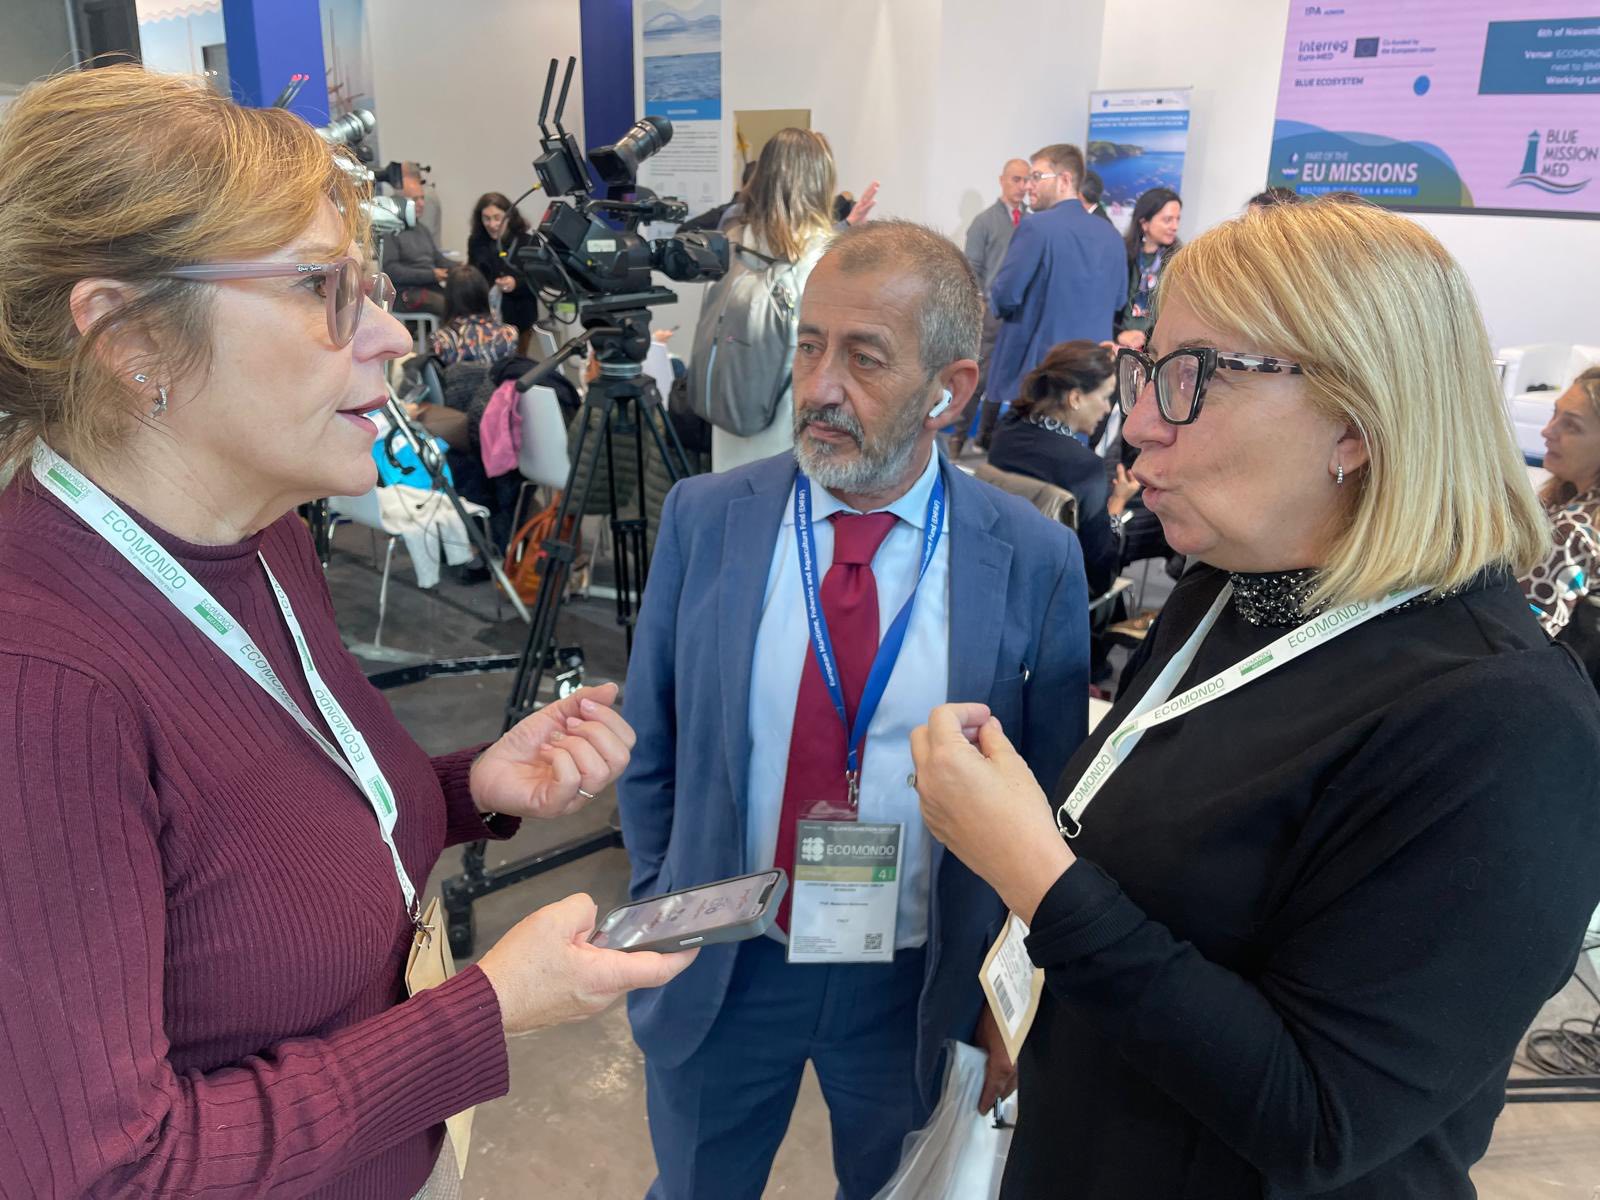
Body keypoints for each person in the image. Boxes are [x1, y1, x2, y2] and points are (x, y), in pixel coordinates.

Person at [0, 66, 694, 1198]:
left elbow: (255, 833)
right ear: (130, 336)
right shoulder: (38, 685)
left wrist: (467, 787)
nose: (387, 337)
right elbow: (110, 1173)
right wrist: (483, 1015)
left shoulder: (263, 530)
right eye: (323, 290)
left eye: (365, 286)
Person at [909, 197, 1600, 1198]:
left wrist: (1034, 875)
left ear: (1357, 421)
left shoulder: (1502, 723)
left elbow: (1321, 1120)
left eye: (1195, 377)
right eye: (1148, 370)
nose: (1139, 423)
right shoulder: (1226, 590)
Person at [620, 220, 1089, 1200]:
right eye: (809, 346)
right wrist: (662, 895)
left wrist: (1011, 997)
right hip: (722, 956)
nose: (821, 387)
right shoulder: (706, 518)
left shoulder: (1032, 556)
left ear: (948, 390)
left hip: (912, 983)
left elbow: (1051, 798)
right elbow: (651, 743)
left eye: (864, 358)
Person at [703, 129, 836, 472]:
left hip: (732, 414)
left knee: (732, 495)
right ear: (820, 182)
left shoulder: (733, 243)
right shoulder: (822, 255)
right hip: (788, 425)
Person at [985, 143, 1126, 452]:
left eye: (1037, 176)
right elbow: (1118, 302)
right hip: (1087, 384)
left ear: (1064, 180)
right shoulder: (1112, 237)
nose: (1029, 185)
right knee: (1067, 465)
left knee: (1021, 467)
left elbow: (1005, 296)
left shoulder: (1036, 228)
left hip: (1036, 381)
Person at [986, 340, 1139, 598]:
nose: (1106, 408)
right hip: (1049, 594)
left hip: (994, 569)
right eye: (1105, 397)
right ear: (1075, 398)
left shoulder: (1005, 430)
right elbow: (1101, 576)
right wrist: (1117, 503)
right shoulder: (1084, 468)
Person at [951, 156, 1030, 457]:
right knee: (981, 377)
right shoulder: (984, 222)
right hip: (992, 314)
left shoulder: (1033, 223)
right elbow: (972, 269)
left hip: (1021, 314)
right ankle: (958, 437)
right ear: (1002, 180)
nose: (1021, 186)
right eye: (1016, 179)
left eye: (1026, 180)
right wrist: (979, 305)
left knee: (1009, 379)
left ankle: (986, 439)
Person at [1521, 366, 1600, 637]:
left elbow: (1524, 637)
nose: (1547, 431)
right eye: (1554, 414)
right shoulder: (1567, 500)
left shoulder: (1574, 531)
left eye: (1571, 426)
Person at [1114, 186, 1181, 351]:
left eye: (1177, 219)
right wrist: (1118, 334)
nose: (1175, 226)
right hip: (1119, 345)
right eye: (1168, 220)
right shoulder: (1120, 253)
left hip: (1157, 348)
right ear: (1144, 223)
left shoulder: (1179, 261)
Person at [467, 191, 538, 345]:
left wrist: (515, 283)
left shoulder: (527, 242)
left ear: (509, 216)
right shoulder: (476, 242)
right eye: (486, 218)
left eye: (497, 217)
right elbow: (474, 276)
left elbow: (538, 280)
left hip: (519, 317)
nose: (492, 224)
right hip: (485, 320)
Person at [383, 163, 452, 316]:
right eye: (415, 199)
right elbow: (391, 270)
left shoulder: (422, 229)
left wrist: (463, 269)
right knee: (447, 306)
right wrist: (431, 275)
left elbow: (439, 259)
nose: (421, 203)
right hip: (405, 293)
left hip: (430, 287)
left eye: (422, 198)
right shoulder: (390, 230)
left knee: (464, 301)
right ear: (400, 202)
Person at [429, 264, 518, 369]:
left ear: (450, 297)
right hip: (497, 380)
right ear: (484, 293)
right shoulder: (508, 333)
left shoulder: (442, 338)